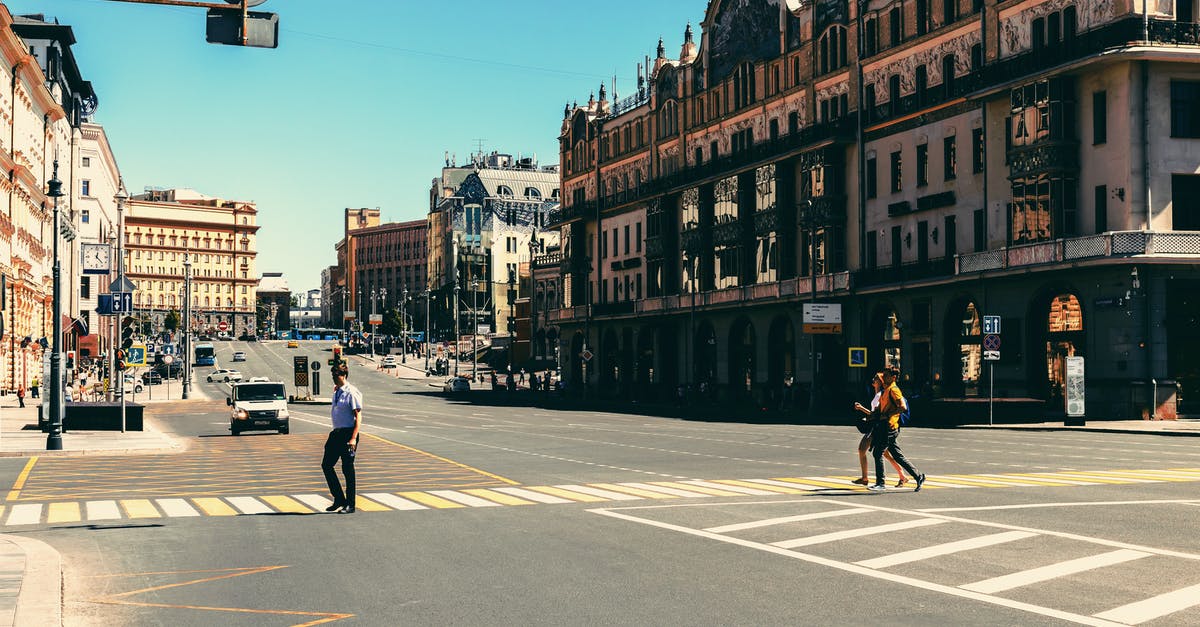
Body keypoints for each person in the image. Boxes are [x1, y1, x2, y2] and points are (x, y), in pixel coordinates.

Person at [869, 367, 926, 492]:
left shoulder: (894, 390)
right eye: (883, 375)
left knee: (878, 452)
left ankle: (880, 483)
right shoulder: (886, 389)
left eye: (887, 375)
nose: (884, 377)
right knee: (897, 456)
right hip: (886, 426)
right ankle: (919, 476)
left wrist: (889, 414)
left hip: (889, 427)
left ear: (894, 377)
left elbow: (903, 407)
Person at [852, 372, 907, 487]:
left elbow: (877, 414)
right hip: (879, 426)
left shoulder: (881, 394)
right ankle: (902, 476)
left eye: (876, 378)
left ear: (880, 382)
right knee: (885, 454)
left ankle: (870, 479)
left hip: (880, 427)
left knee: (866, 450)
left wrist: (862, 409)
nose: (873, 380)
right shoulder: (878, 393)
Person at [323, 365, 362, 513]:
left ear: (344, 375)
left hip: (348, 434)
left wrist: (353, 438)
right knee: (326, 465)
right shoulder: (337, 391)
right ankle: (339, 498)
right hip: (336, 433)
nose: (334, 377)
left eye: (336, 375)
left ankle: (350, 504)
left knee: (347, 469)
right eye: (333, 374)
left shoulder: (351, 392)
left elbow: (358, 416)